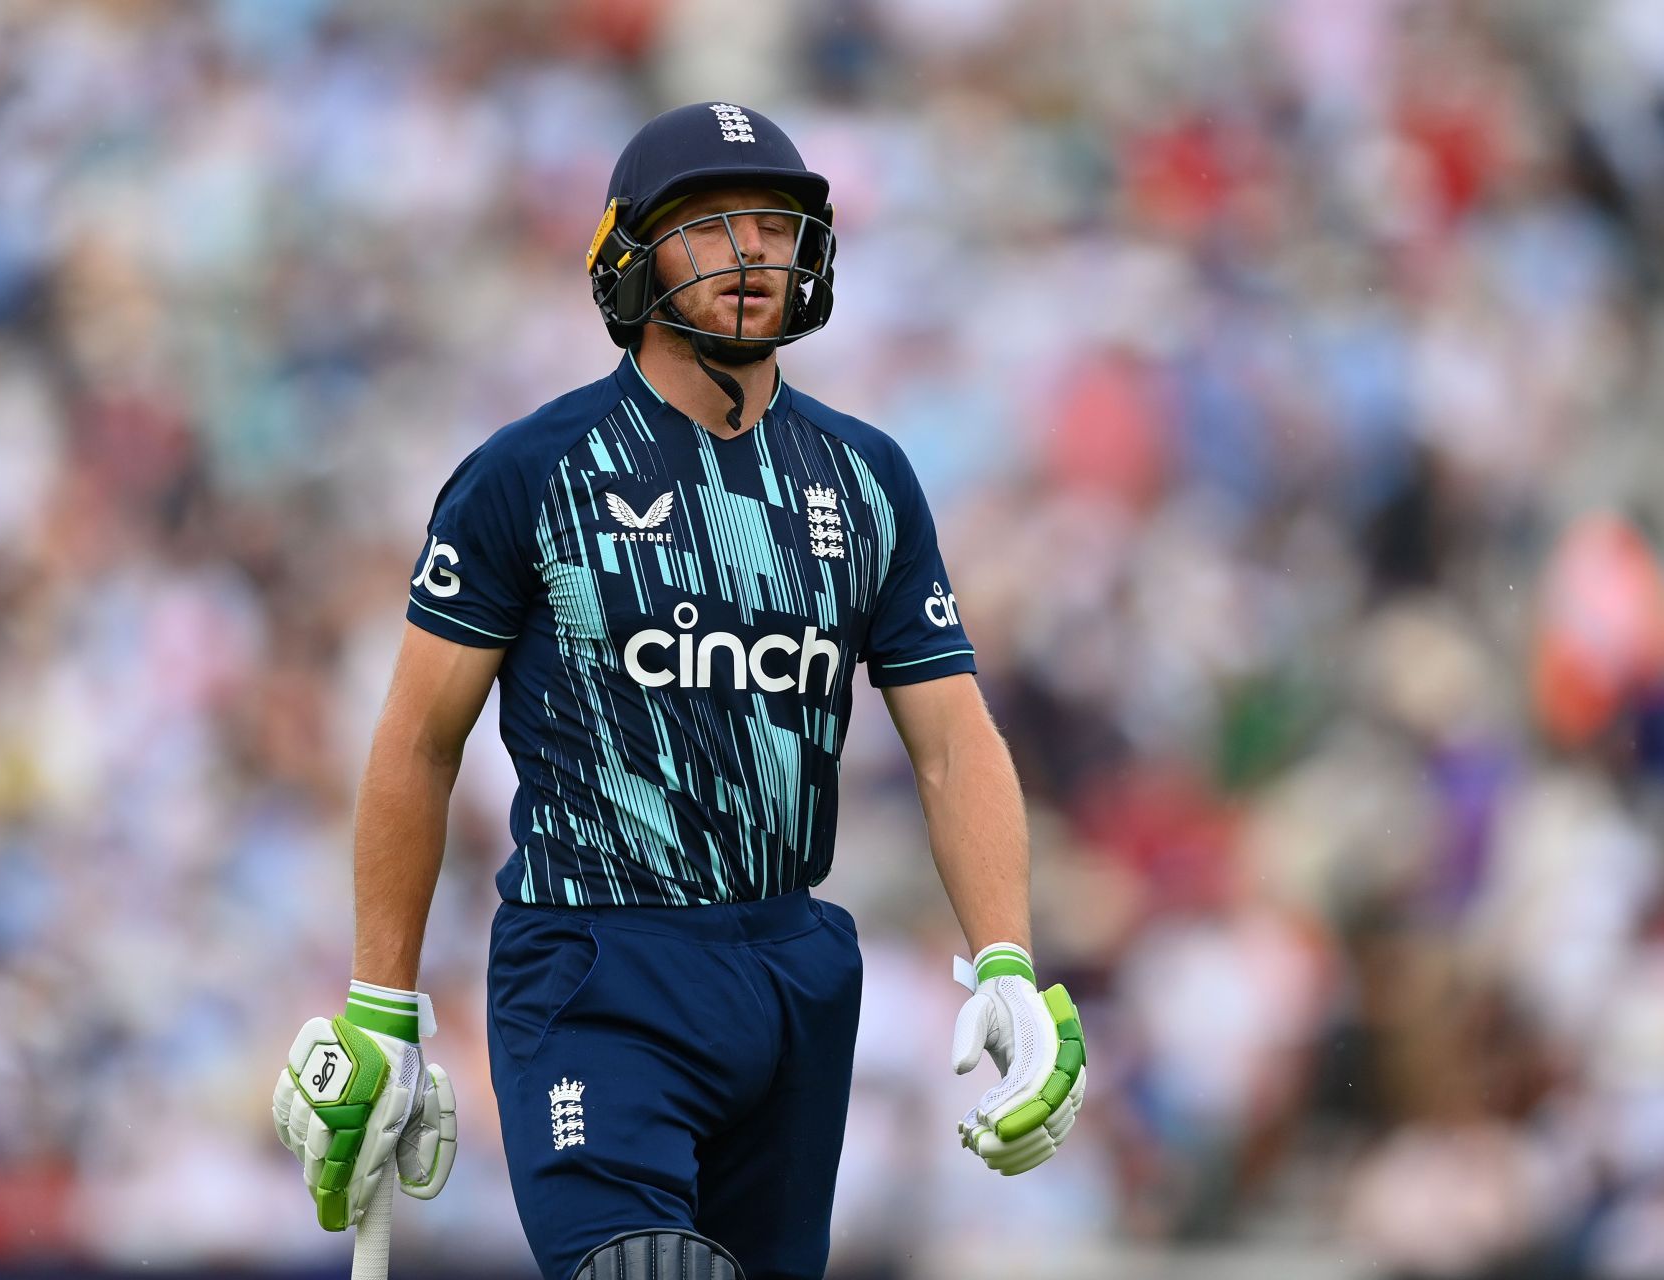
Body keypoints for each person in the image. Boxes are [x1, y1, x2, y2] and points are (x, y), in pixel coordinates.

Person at [271, 102, 1086, 1280]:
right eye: (708, 227)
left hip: (792, 967)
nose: (751, 253)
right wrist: (380, 1002)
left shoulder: (869, 478)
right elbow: (416, 743)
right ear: (629, 255)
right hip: (595, 961)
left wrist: (1005, 954)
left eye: (773, 224)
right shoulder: (528, 473)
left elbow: (954, 738)